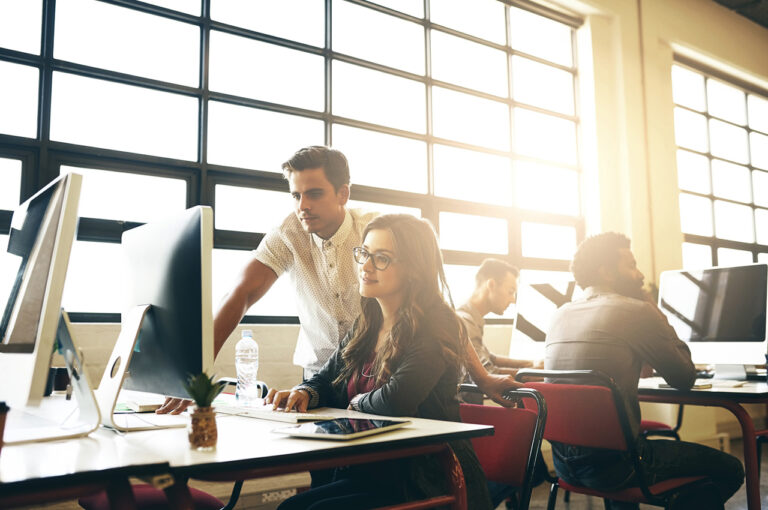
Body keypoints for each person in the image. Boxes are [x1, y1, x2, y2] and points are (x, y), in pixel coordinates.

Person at [157, 146, 517, 413]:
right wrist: (194, 376)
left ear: (343, 193)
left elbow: (436, 308)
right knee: (327, 471)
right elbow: (240, 295)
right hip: (326, 373)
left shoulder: (378, 232)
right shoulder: (287, 234)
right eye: (296, 195)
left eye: (314, 193)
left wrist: (481, 379)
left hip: (388, 372)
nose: (302, 206)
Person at [266, 214, 493, 510]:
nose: (366, 267)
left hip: (428, 479)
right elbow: (327, 379)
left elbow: (396, 400)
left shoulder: (438, 325)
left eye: (381, 258)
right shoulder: (369, 322)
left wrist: (357, 402)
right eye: (364, 254)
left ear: (413, 269)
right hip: (378, 472)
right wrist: (306, 392)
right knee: (291, 508)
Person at [544, 232, 744, 510]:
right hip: (620, 467)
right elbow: (685, 376)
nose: (639, 275)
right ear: (606, 271)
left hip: (564, 466)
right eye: (631, 265)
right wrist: (654, 310)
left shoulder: (559, 314)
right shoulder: (636, 311)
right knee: (731, 467)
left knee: (618, 449)